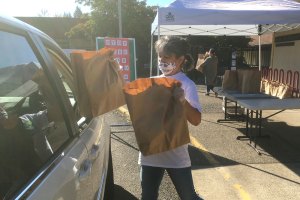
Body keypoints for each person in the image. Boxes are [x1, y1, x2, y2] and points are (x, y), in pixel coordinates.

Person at [139, 36, 203, 200]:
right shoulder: (151, 82)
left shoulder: (187, 84)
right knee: (148, 196)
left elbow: (196, 120)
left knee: (188, 196)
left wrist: (182, 101)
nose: (162, 61)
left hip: (176, 154)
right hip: (150, 153)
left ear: (181, 59)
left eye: (167, 57)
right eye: (160, 57)